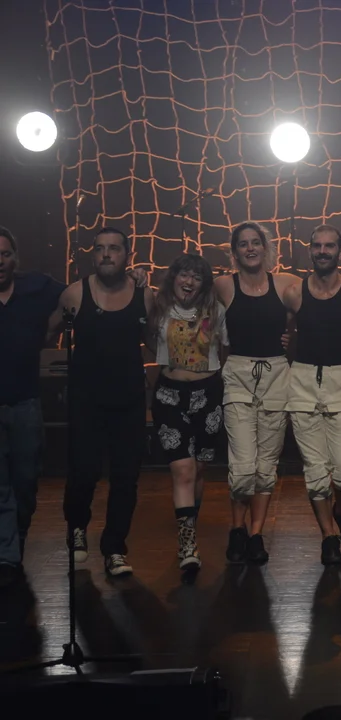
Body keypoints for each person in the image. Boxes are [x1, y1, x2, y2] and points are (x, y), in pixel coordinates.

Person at [52, 227, 155, 577]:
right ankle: (77, 528)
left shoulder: (144, 294)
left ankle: (114, 548)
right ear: (93, 254)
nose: (106, 254)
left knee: (126, 478)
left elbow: (156, 341)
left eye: (113, 248)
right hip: (87, 400)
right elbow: (47, 330)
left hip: (128, 400)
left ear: (127, 255)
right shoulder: (75, 293)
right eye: (99, 249)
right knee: (83, 473)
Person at [282, 225, 341, 566]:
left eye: (329, 246)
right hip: (302, 380)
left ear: (340, 252)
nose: (322, 251)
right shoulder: (294, 292)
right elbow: (283, 330)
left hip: (339, 380)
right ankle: (328, 536)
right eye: (317, 245)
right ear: (310, 250)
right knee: (316, 472)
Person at [215, 221, 298, 565]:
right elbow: (182, 289)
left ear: (265, 247)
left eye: (255, 242)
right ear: (234, 252)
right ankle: (236, 527)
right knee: (243, 466)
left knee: (266, 466)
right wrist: (139, 279)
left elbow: (325, 298)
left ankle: (254, 534)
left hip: (277, 374)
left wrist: (295, 337)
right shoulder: (224, 284)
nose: (250, 248)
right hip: (238, 374)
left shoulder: (286, 283)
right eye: (243, 244)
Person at [147, 253, 229, 573]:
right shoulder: (158, 308)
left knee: (198, 469)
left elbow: (227, 349)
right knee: (182, 470)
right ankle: (188, 544)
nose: (189, 281)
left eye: (196, 276)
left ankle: (189, 525)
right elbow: (147, 342)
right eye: (183, 274)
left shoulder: (216, 310)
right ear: (173, 278)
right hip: (170, 395)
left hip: (208, 395)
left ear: (204, 283)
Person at [0, 227, 65, 587]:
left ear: (15, 258)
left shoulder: (36, 287)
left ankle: (16, 541)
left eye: (4, 254)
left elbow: (76, 295)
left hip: (25, 402)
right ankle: (7, 556)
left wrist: (132, 279)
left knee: (25, 482)